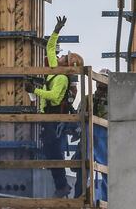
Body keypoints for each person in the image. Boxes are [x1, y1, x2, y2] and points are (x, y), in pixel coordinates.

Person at [25, 16, 84, 197]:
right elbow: (50, 48)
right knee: (50, 152)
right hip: (48, 117)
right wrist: (56, 30)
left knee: (54, 152)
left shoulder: (61, 79)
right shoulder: (54, 70)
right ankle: (61, 186)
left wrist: (35, 90)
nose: (60, 57)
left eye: (64, 57)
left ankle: (62, 186)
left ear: (67, 65)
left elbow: (54, 97)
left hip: (54, 118)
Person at [72, 69, 109, 200]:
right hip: (88, 138)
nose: (100, 86)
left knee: (106, 170)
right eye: (99, 82)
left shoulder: (113, 101)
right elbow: (79, 116)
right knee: (82, 169)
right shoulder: (88, 99)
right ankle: (79, 198)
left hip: (104, 139)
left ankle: (106, 200)